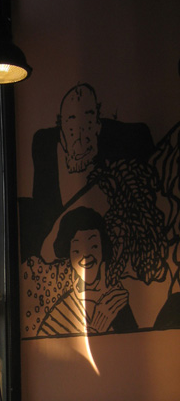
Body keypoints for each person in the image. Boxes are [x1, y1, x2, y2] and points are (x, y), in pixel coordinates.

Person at [19, 84, 154, 261]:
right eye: (72, 120)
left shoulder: (125, 143)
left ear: (98, 125)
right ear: (61, 128)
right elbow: (42, 229)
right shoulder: (44, 146)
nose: (80, 132)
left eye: (88, 119)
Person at [38, 207, 138, 336]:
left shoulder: (116, 301)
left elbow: (134, 342)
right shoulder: (60, 312)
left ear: (103, 248)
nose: (86, 256)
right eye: (77, 250)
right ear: (69, 255)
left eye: (94, 246)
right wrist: (98, 326)